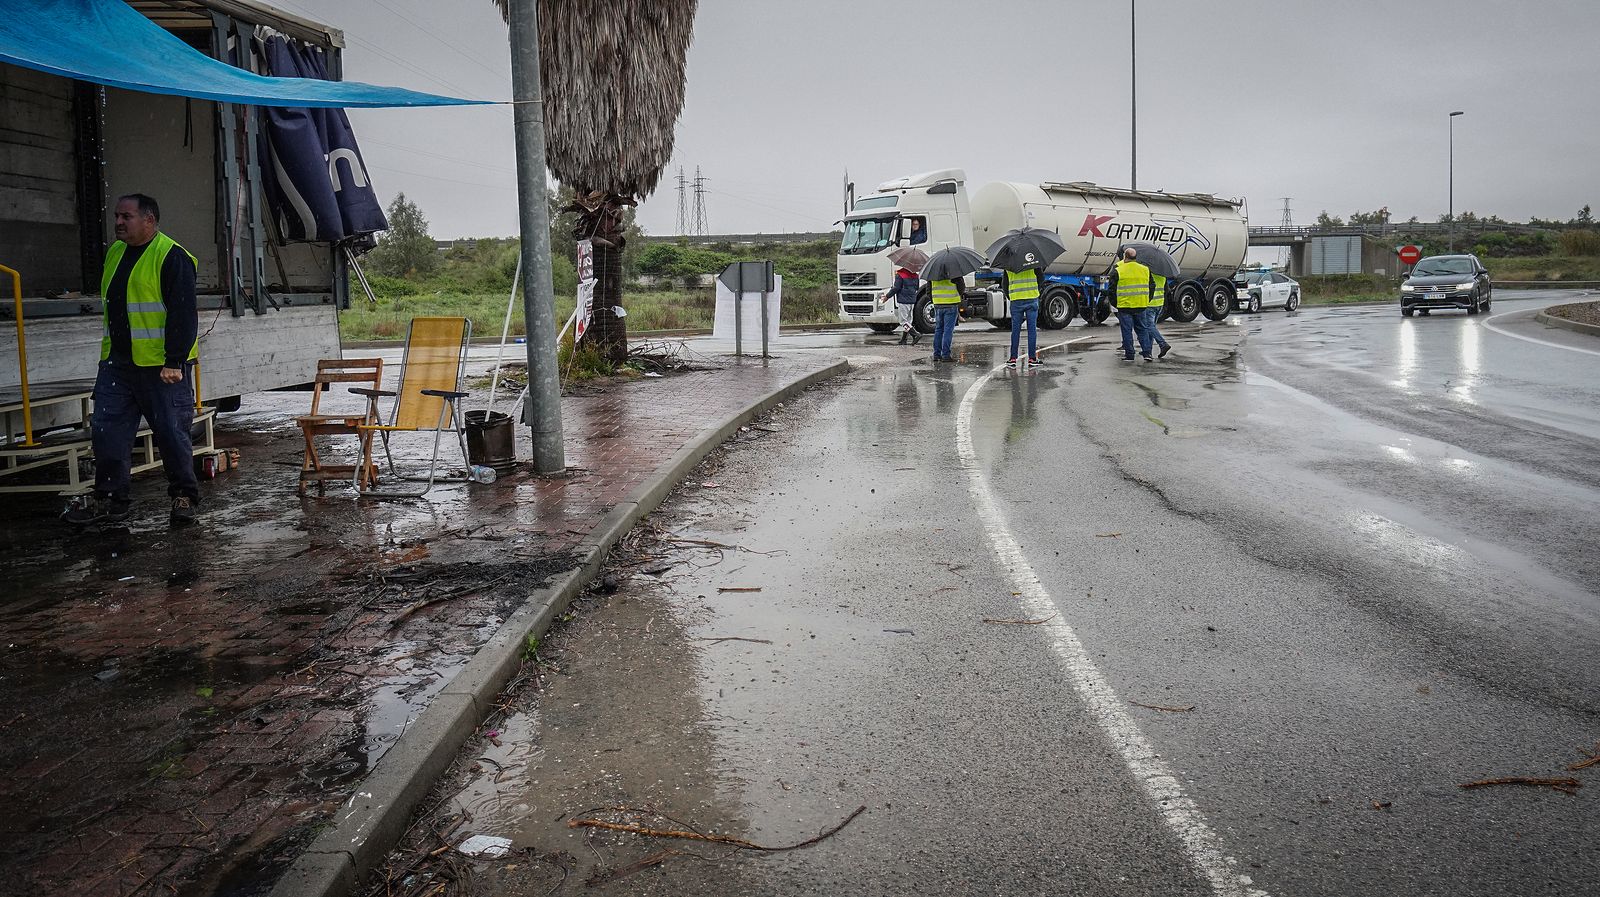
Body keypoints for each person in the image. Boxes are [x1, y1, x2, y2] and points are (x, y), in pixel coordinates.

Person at [63, 193, 202, 526]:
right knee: (107, 432)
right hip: (118, 364)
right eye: (117, 217)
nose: (119, 223)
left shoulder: (171, 256)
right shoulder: (116, 253)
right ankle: (111, 500)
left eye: (126, 217)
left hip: (161, 367)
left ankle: (184, 496)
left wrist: (174, 360)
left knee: (171, 434)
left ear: (149, 220)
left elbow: (183, 314)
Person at [1108, 247, 1154, 361]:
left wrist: (1116, 303)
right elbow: (1152, 286)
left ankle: (1130, 354)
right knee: (1142, 330)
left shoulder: (1118, 270)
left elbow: (1111, 290)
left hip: (1125, 306)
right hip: (1141, 305)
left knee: (1127, 331)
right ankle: (1147, 353)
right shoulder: (1145, 269)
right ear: (1135, 257)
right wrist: (1147, 299)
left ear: (1125, 256)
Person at [1005, 266, 1044, 366]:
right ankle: (1032, 359)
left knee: (1015, 330)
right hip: (1031, 298)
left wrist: (1011, 296)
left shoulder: (1008, 265)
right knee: (1032, 330)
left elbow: (1004, 284)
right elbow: (1041, 278)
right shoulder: (1033, 262)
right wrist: (1035, 290)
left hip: (1016, 300)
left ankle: (1013, 358)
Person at [882, 266, 922, 345]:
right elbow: (917, 287)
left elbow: (896, 288)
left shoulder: (900, 274)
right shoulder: (916, 275)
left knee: (903, 321)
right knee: (908, 321)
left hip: (903, 301)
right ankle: (904, 339)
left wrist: (887, 296)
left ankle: (915, 334)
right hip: (912, 301)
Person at [929, 274, 964, 362]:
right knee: (948, 330)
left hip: (938, 303)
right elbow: (961, 288)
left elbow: (928, 290)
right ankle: (946, 355)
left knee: (938, 329)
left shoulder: (933, 272)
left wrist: (934, 300)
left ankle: (936, 355)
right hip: (951, 303)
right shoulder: (954, 271)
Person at [1141, 274, 1172, 360]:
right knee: (1151, 328)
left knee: (1149, 327)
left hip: (1150, 304)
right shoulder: (1163, 275)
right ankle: (1148, 351)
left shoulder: (1148, 275)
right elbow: (1167, 290)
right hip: (1159, 304)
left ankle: (1163, 344)